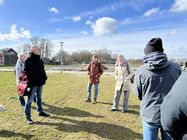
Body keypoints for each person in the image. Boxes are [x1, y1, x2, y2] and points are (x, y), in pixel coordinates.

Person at [134, 38, 181, 140]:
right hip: (171, 116)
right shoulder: (176, 68)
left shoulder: (140, 71)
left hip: (150, 114)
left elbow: (139, 94)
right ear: (162, 51)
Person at [24, 46, 49, 124]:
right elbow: (27, 72)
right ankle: (28, 118)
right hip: (32, 84)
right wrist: (33, 80)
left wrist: (44, 77)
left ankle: (40, 111)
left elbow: (42, 70)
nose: (39, 50)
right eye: (38, 49)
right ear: (33, 50)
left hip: (40, 83)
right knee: (29, 101)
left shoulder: (40, 60)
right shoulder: (28, 60)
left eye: (39, 49)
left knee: (39, 98)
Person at [161, 69, 187, 140]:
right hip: (174, 121)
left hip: (168, 118)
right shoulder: (176, 67)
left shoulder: (142, 70)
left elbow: (139, 93)